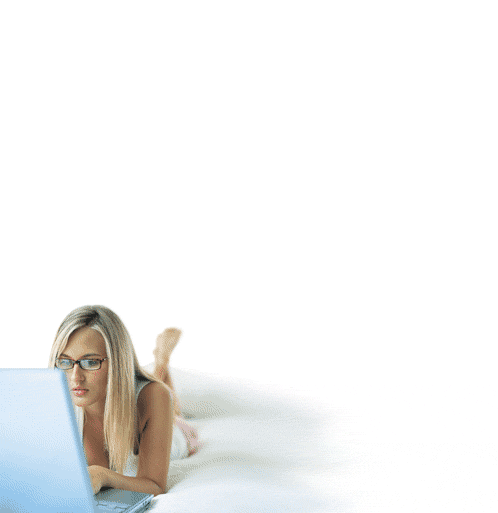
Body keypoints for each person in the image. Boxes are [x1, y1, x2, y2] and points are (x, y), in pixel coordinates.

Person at [48, 305, 200, 496]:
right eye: (65, 362)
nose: (75, 377)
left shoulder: (155, 395)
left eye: (91, 362)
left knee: (174, 410)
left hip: (179, 431)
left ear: (117, 362)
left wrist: (102, 475)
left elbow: (155, 486)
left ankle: (161, 362)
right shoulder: (56, 401)